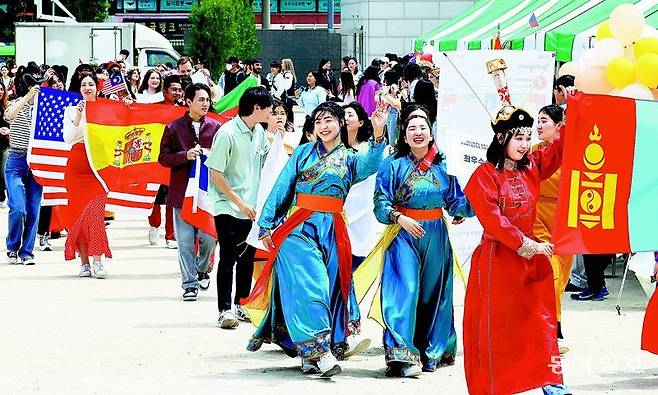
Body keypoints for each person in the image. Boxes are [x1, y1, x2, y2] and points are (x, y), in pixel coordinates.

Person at [241, 101, 387, 377]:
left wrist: (379, 135)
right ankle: (323, 353)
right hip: (299, 227)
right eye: (318, 121)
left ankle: (310, 355)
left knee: (331, 289)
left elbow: (372, 164)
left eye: (330, 120)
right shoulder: (303, 153)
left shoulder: (351, 158)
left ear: (341, 124)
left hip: (332, 230)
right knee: (313, 285)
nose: (324, 126)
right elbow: (282, 186)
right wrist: (267, 224)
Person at [355, 110, 473, 377]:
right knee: (403, 290)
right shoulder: (392, 164)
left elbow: (457, 203)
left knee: (435, 295)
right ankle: (400, 355)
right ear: (404, 135)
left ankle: (431, 350)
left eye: (423, 127)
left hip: (436, 236)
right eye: (412, 128)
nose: (418, 132)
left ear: (431, 133)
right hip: (403, 234)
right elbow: (380, 203)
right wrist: (400, 217)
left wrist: (477, 198)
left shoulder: (445, 167)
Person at [463, 106, 566, 395]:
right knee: (501, 329)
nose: (524, 144)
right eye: (518, 138)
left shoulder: (531, 165)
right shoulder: (484, 175)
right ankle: (496, 386)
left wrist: (573, 117)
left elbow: (559, 151)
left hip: (532, 261)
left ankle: (551, 380)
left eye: (527, 137)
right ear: (501, 139)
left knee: (542, 320)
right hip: (499, 262)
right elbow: (494, 221)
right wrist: (527, 245)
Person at [206, 86, 272, 328]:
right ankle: (224, 310)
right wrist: (239, 202)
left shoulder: (259, 132)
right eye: (268, 109)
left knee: (247, 257)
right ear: (257, 108)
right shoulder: (227, 133)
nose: (270, 113)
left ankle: (242, 304)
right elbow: (216, 173)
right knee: (228, 257)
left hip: (251, 208)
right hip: (227, 206)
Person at [159, 83, 220, 301]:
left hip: (208, 193)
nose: (206, 104)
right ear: (189, 102)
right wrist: (184, 155)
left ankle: (203, 268)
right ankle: (189, 283)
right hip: (181, 193)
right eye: (201, 100)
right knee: (184, 240)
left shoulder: (216, 127)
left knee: (209, 237)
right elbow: (163, 158)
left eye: (207, 100)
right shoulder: (173, 128)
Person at [532, 105, 573, 353]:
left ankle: (551, 328)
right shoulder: (532, 152)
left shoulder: (574, 151)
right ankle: (549, 332)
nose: (538, 126)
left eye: (544, 121)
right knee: (550, 271)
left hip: (565, 220)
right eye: (537, 121)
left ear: (559, 125)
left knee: (562, 279)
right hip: (538, 217)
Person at [62, 72, 110, 277]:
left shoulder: (107, 110)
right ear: (79, 88)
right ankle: (84, 263)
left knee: (96, 216)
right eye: (84, 84)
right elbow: (68, 138)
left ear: (97, 88)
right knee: (79, 218)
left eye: (91, 84)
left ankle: (98, 260)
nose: (87, 87)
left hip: (98, 169)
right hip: (77, 167)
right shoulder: (71, 110)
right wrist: (79, 116)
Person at [4, 75, 43, 265]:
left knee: (34, 210)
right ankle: (12, 246)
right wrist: (27, 98)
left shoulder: (45, 108)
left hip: (37, 162)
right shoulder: (17, 103)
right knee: (18, 207)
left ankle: (27, 251)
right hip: (16, 160)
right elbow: (8, 116)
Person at [148, 75, 184, 249]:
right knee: (154, 198)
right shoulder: (153, 109)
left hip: (174, 160)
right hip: (156, 160)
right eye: (173, 89)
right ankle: (154, 224)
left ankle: (171, 235)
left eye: (179, 89)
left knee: (172, 199)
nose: (176, 93)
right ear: (164, 92)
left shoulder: (185, 110)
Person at [36, 72, 67, 252]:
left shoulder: (73, 102)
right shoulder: (44, 104)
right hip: (49, 154)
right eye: (53, 83)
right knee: (48, 197)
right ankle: (43, 235)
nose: (58, 85)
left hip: (67, 153)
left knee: (66, 196)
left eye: (59, 82)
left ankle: (73, 230)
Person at [0, 79, 9, 209]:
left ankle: (1, 197)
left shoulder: (6, 107)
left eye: (2, 89)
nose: (0, 91)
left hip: (5, 145)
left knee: (3, 172)